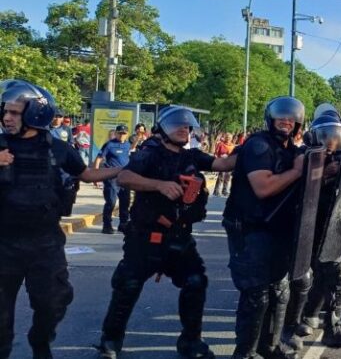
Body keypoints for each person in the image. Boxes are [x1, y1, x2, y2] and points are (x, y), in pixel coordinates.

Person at [97, 106, 237, 359]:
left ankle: (191, 342)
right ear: (162, 129)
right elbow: (126, 177)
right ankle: (110, 340)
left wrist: (251, 149)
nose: (184, 129)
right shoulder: (149, 152)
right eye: (177, 125)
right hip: (145, 236)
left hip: (179, 236)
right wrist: (159, 185)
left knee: (196, 281)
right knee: (128, 284)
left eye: (187, 126)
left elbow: (224, 163)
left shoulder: (192, 156)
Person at [0, 80, 122, 359]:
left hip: (45, 243)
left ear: (35, 113)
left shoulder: (57, 148)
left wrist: (120, 171)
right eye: (5, 111)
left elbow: (85, 174)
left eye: (15, 113)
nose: (7, 117)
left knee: (53, 301)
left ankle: (40, 340)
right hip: (3, 242)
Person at [223, 97, 305, 359]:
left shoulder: (290, 148)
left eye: (291, 117)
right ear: (270, 118)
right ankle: (244, 353)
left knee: (279, 291)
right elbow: (264, 187)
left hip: (276, 229)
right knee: (256, 294)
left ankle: (269, 347)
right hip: (249, 228)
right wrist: (298, 171)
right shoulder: (259, 145)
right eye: (281, 116)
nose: (286, 120)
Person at [294, 113, 341, 349]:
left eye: (336, 136)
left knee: (336, 271)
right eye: (326, 135)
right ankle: (291, 325)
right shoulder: (303, 157)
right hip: (300, 230)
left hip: (329, 230)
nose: (331, 141)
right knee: (301, 279)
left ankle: (332, 326)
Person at [94, 124, 132, 234]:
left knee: (125, 202)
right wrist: (96, 175)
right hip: (111, 177)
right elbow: (99, 159)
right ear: (116, 133)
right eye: (120, 133)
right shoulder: (109, 145)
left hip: (125, 177)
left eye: (124, 133)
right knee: (111, 201)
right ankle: (107, 225)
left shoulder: (128, 145)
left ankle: (123, 224)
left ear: (127, 134)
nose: (122, 135)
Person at [213, 133, 235, 197]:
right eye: (227, 137)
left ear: (231, 138)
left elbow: (233, 155)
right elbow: (216, 153)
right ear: (225, 138)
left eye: (229, 138)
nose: (228, 139)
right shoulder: (220, 144)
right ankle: (216, 191)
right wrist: (217, 158)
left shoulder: (232, 146)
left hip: (229, 163)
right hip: (221, 162)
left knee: (227, 178)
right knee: (221, 177)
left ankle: (224, 191)